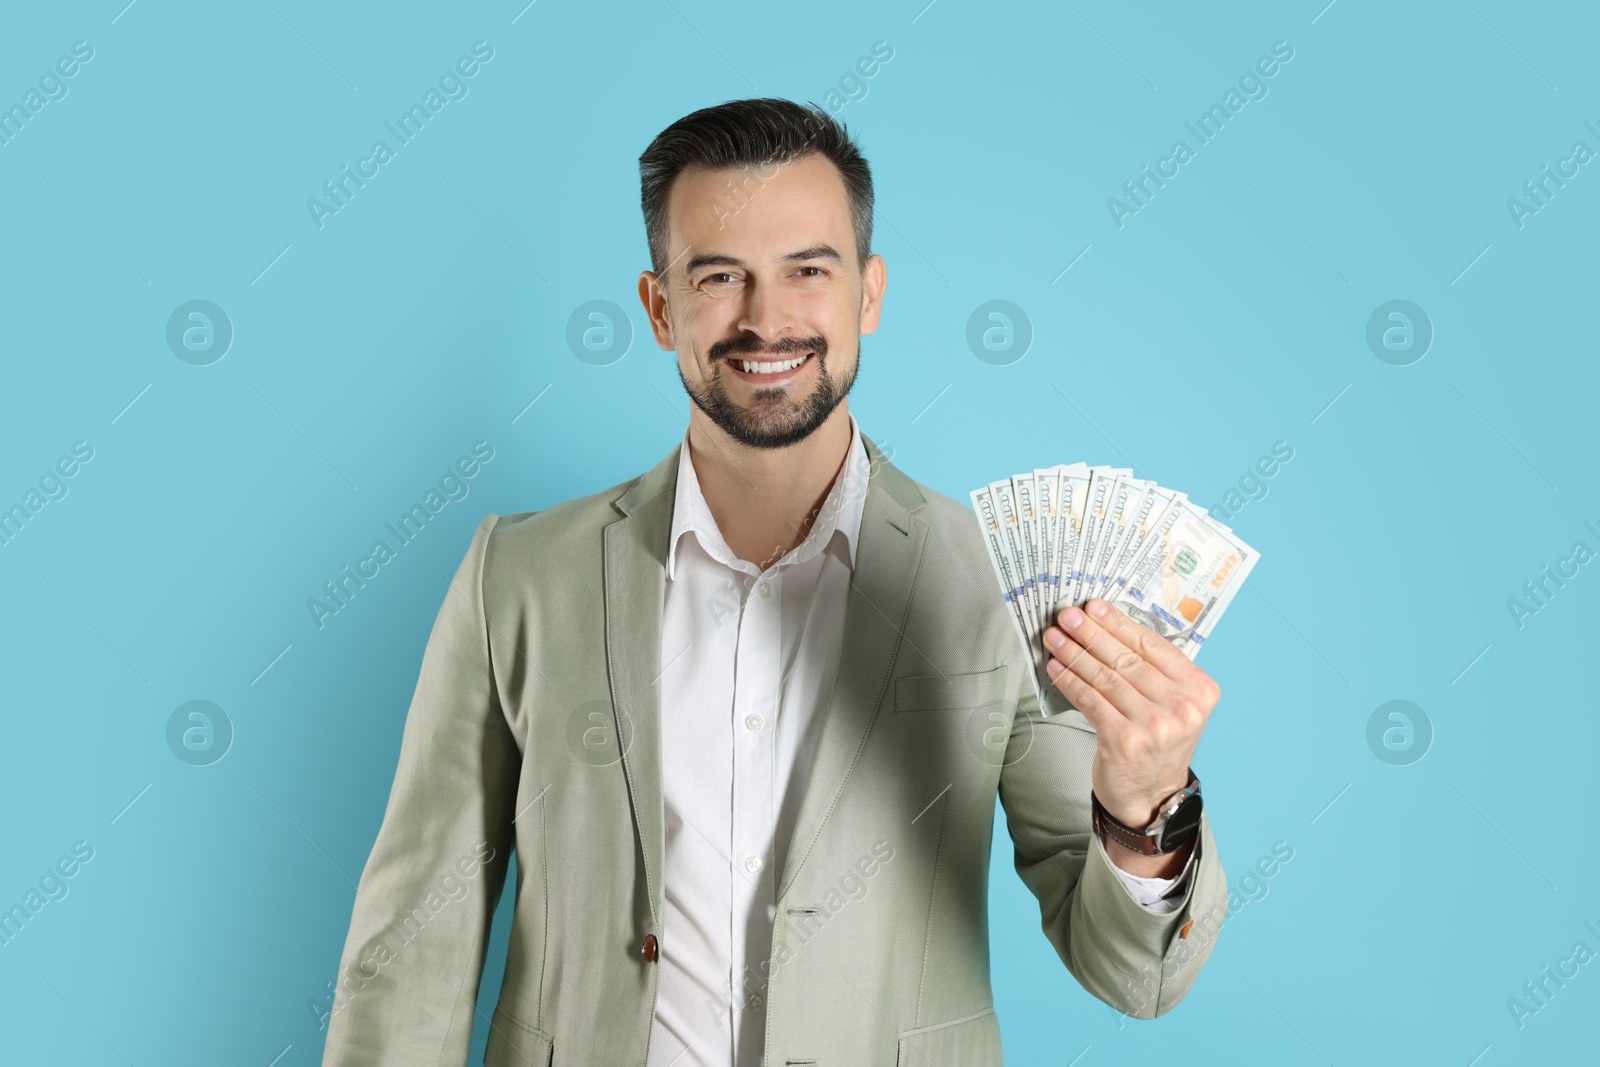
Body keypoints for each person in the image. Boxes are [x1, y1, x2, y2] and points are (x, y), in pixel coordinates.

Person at [321, 97, 1228, 1067]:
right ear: (660, 305)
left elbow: (1134, 975)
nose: (765, 319)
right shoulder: (517, 572)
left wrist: (1144, 805)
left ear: (868, 295)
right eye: (719, 276)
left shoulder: (998, 585)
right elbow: (416, 936)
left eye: (808, 270)